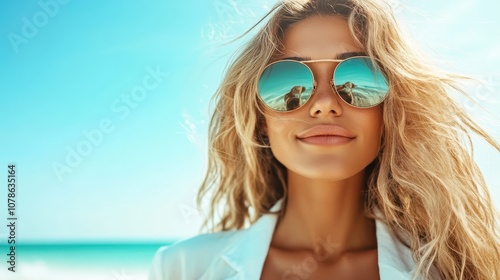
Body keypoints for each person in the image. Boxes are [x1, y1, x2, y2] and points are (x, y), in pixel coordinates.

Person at [149, 0, 500, 279]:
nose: (325, 105)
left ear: (391, 112)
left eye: (358, 75)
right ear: (259, 119)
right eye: (287, 82)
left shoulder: (454, 271)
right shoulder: (183, 269)